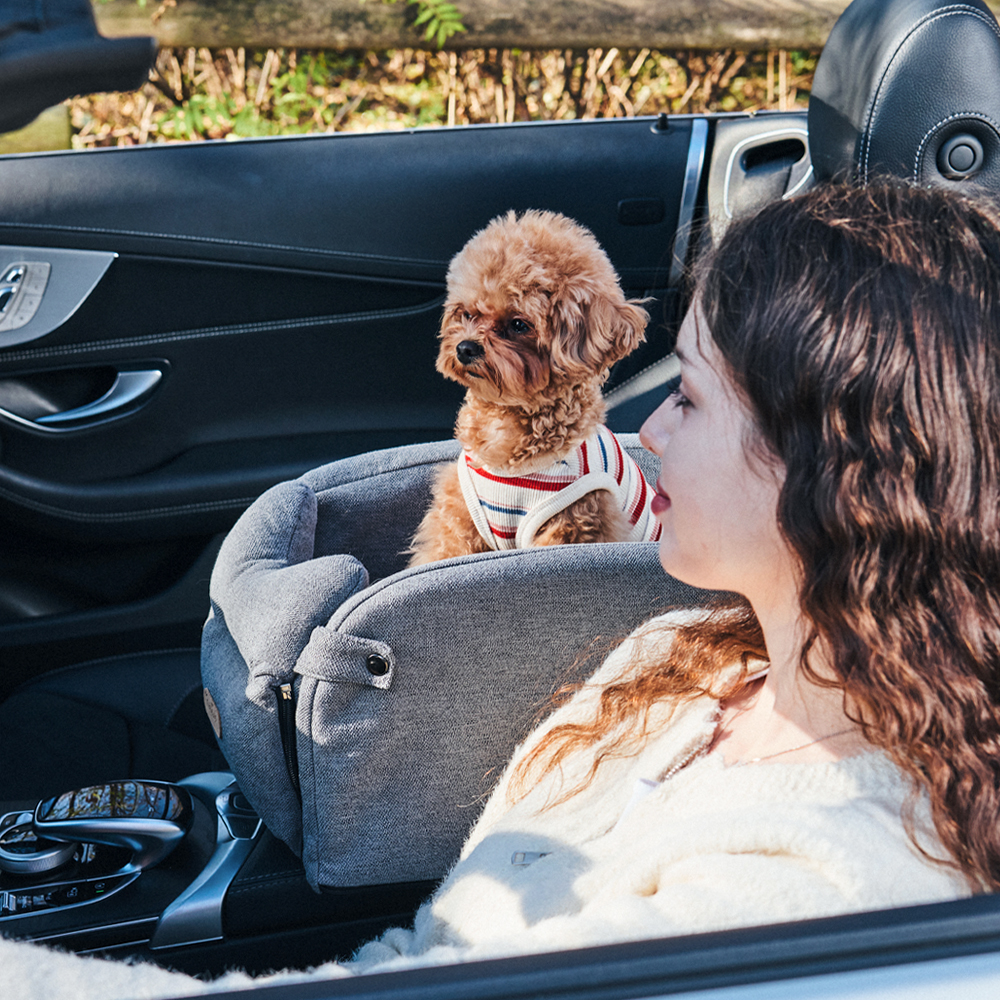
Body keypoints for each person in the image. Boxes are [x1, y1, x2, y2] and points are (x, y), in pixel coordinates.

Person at [2, 178, 997, 995]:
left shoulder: (805, 887)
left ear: (836, 473)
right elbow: (426, 952)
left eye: (688, 398)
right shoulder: (675, 659)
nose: (647, 432)